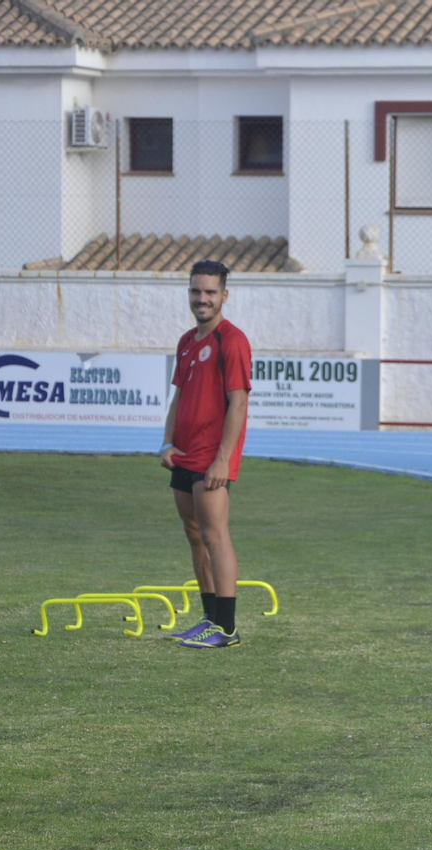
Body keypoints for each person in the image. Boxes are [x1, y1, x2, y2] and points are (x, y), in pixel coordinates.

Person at [160, 260, 252, 649]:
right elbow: (179, 396)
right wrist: (166, 443)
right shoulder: (186, 341)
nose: (203, 299)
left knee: (216, 536)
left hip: (211, 458)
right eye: (196, 291)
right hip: (183, 455)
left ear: (224, 296)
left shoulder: (232, 341)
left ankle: (227, 628)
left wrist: (222, 459)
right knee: (195, 535)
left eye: (211, 292)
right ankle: (210, 618)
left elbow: (238, 404)